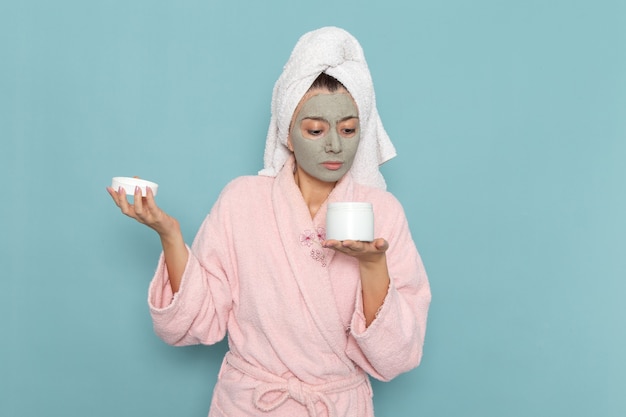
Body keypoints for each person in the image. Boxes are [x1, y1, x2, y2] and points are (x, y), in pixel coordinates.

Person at [107, 26, 431, 417]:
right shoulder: (242, 200)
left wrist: (372, 264)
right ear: (288, 135)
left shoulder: (383, 211)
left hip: (335, 405)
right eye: (315, 129)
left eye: (348, 129)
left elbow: (397, 355)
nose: (334, 144)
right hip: (251, 404)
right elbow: (194, 324)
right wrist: (171, 236)